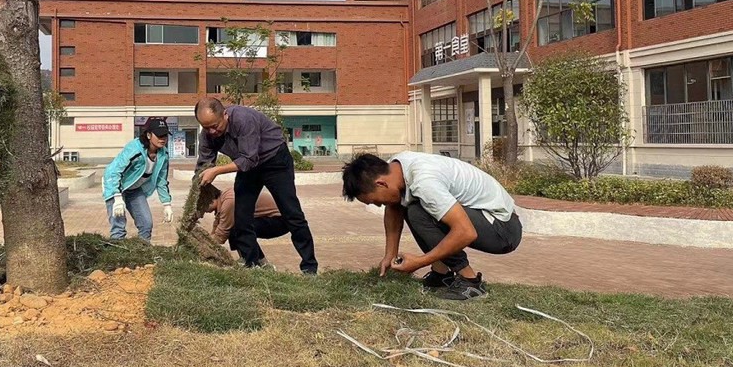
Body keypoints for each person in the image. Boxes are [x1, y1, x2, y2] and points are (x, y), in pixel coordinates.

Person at [341, 151, 523, 300]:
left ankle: (470, 282)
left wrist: (420, 262)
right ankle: (441, 275)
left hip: (503, 230)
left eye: (375, 201)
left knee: (417, 212)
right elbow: (393, 207)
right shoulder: (396, 168)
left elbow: (466, 232)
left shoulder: (424, 182)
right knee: (412, 206)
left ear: (380, 183)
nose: (379, 205)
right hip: (485, 219)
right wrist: (390, 255)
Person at [195, 97, 317, 274]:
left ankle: (309, 267)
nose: (212, 131)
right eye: (206, 128)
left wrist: (217, 171)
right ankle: (253, 265)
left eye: (215, 125)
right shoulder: (207, 135)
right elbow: (203, 167)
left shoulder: (243, 119)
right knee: (241, 217)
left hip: (274, 160)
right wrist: (196, 199)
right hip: (249, 168)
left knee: (292, 212)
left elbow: (249, 159)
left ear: (225, 115)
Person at [203, 187, 317, 271]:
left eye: (202, 206)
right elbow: (217, 226)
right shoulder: (224, 198)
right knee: (238, 227)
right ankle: (260, 263)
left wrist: (204, 250)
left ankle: (253, 264)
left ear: (210, 200)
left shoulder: (229, 202)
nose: (203, 212)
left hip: (280, 221)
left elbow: (222, 233)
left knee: (237, 228)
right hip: (269, 219)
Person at [102, 117, 174, 242]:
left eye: (165, 136)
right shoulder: (135, 149)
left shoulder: (163, 155)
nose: (163, 139)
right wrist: (117, 198)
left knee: (146, 224)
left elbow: (161, 180)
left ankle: (143, 253)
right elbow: (114, 172)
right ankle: (116, 256)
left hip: (135, 189)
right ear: (149, 135)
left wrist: (167, 204)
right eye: (159, 135)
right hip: (115, 186)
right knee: (118, 225)